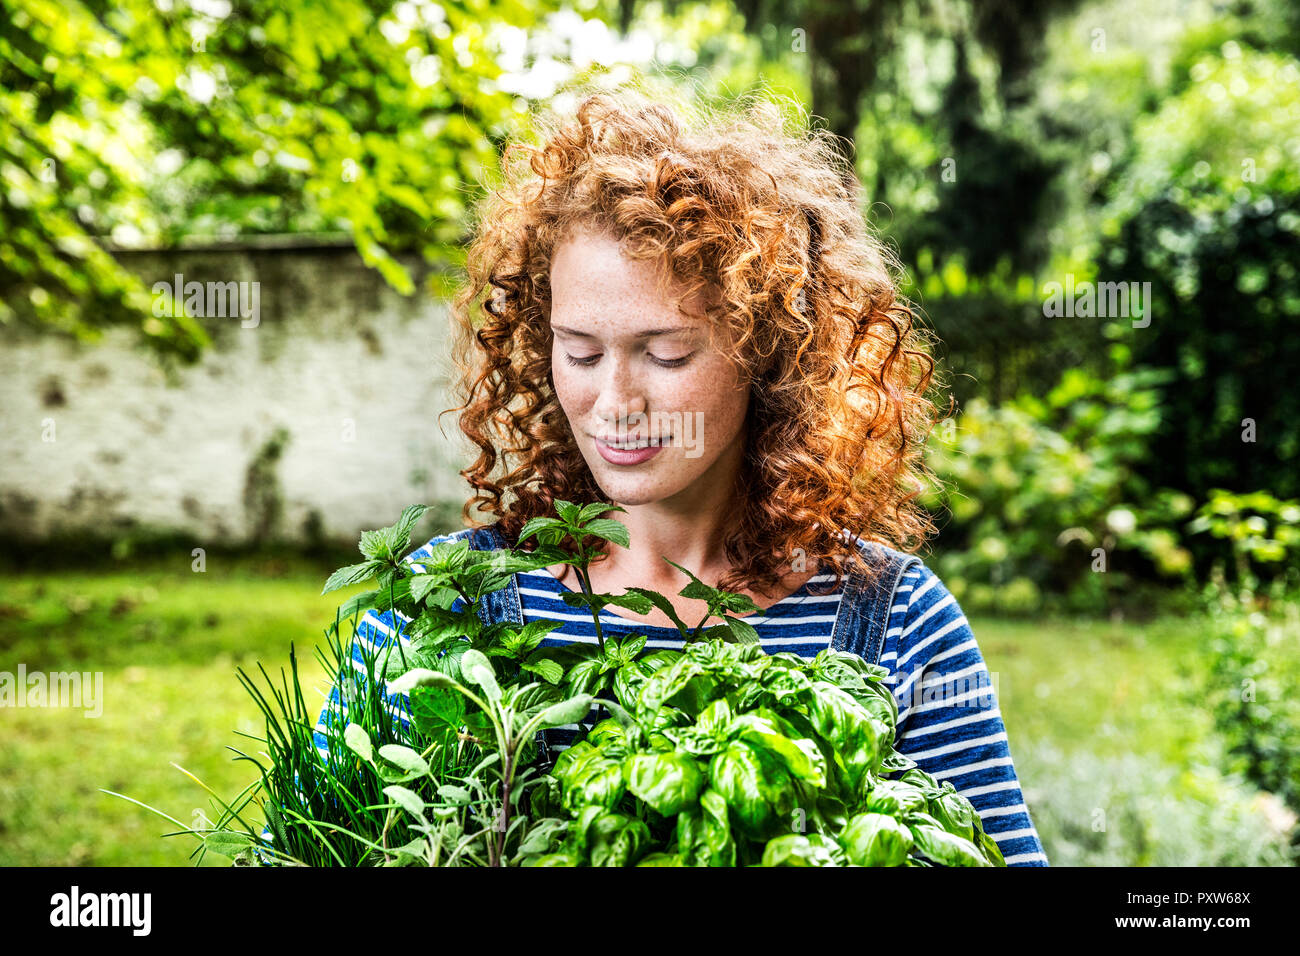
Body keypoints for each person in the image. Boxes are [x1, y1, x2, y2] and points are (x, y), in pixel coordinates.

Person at [312, 85, 1048, 866]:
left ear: (768, 350)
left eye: (665, 354)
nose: (613, 402)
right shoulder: (444, 605)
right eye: (581, 351)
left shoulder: (893, 622)